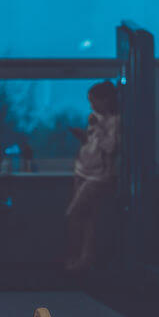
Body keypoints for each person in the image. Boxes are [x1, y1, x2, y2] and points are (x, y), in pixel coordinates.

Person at [64, 80, 120, 276]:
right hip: (83, 171)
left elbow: (111, 147)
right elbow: (93, 143)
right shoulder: (95, 118)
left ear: (105, 100)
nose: (92, 105)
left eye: (94, 101)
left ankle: (78, 258)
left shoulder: (115, 122)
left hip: (99, 176)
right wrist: (84, 137)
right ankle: (84, 259)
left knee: (74, 215)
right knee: (88, 218)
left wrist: (101, 128)